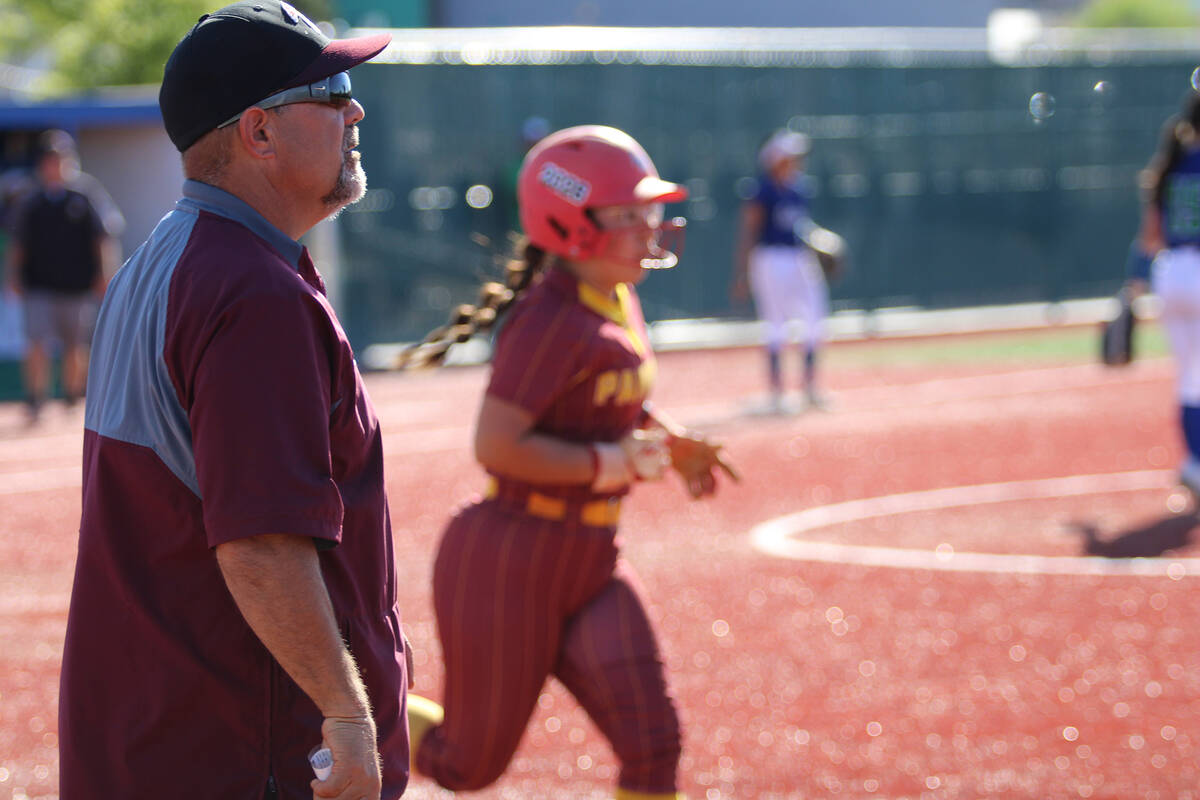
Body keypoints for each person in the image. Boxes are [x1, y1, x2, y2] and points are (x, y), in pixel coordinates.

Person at [57, 4, 409, 799]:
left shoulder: (166, 260)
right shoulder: (252, 290)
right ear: (258, 132)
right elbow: (261, 543)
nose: (354, 110)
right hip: (249, 745)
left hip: (160, 729)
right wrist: (348, 716)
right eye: (332, 89)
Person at [400, 125, 735, 798]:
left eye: (651, 210)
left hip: (588, 553)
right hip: (512, 559)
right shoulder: (550, 319)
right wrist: (614, 463)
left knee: (654, 744)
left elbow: (603, 405)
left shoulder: (616, 293)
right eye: (631, 213)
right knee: (468, 766)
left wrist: (668, 441)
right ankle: (360, 704)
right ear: (571, 221)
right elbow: (496, 447)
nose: (651, 226)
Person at [4, 129, 123, 420]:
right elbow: (17, 243)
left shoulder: (86, 193)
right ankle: (36, 398)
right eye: (49, 160)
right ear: (42, 164)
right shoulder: (29, 198)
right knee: (36, 342)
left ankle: (71, 397)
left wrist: (105, 274)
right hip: (39, 284)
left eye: (60, 159)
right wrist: (13, 276)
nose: (55, 166)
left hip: (77, 284)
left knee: (75, 344)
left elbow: (104, 237)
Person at [732, 128, 834, 412]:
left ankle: (810, 388)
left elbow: (800, 227)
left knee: (815, 314)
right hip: (769, 258)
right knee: (775, 323)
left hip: (800, 257)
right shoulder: (762, 191)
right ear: (775, 159)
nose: (796, 162)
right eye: (790, 156)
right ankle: (777, 394)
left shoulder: (800, 188)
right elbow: (749, 232)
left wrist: (818, 240)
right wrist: (742, 272)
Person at [1131, 90, 1200, 496]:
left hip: (1171, 273)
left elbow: (1149, 237)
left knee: (1191, 375)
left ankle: (1195, 462)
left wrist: (1133, 284)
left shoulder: (1170, 164)